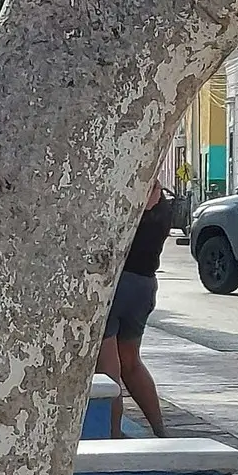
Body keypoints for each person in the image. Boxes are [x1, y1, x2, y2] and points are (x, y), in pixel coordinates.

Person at [97, 179, 172, 437]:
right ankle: (160, 430)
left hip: (115, 285)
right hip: (145, 285)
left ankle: (113, 435)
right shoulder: (162, 205)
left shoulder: (125, 202)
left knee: (109, 371)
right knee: (131, 362)